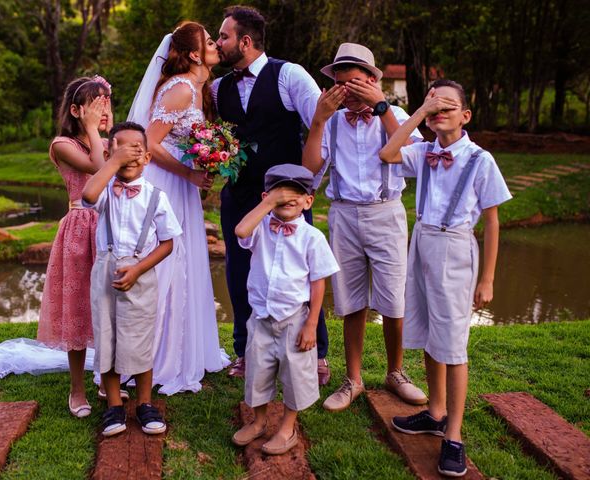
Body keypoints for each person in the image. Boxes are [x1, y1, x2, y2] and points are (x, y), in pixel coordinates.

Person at [379, 79, 511, 476]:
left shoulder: (479, 160)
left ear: (465, 115)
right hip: (421, 241)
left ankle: (453, 435)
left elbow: (492, 220)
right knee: (427, 329)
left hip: (455, 248)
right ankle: (435, 412)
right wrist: (419, 113)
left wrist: (486, 279)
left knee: (453, 344)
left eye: (447, 106)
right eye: (433, 105)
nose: (439, 111)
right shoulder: (423, 151)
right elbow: (387, 152)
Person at [302, 43, 427, 410]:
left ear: (373, 81)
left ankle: (396, 373)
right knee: (350, 300)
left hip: (385, 213)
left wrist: (383, 107)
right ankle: (352, 379)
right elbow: (309, 169)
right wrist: (319, 119)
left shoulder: (398, 114)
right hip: (344, 215)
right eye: (340, 85)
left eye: (355, 84)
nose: (348, 93)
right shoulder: (334, 121)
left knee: (393, 299)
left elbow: (412, 159)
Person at [212, 5, 331, 383]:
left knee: (301, 269)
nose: (218, 43)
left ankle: (318, 351)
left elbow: (320, 126)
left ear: (245, 42)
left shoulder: (290, 75)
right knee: (238, 271)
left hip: (288, 200)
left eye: (224, 36)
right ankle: (247, 351)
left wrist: (304, 187)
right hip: (239, 196)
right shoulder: (217, 89)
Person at [127, 22, 229, 395]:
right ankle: (152, 358)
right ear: (194, 54)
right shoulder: (181, 89)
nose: (216, 44)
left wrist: (208, 162)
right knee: (168, 267)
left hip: (182, 187)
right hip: (167, 185)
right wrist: (188, 173)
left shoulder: (201, 90)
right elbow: (147, 144)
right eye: (209, 40)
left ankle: (186, 349)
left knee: (186, 263)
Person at [82, 121, 182, 437]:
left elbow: (168, 242)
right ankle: (113, 406)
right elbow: (87, 195)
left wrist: (138, 269)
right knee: (107, 338)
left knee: (140, 339)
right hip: (105, 273)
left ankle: (144, 403)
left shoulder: (156, 196)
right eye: (120, 149)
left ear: (148, 159)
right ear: (111, 153)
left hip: (142, 273)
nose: (128, 157)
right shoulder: (104, 192)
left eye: (135, 151)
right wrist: (114, 160)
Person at [231, 164, 339, 455]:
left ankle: (288, 428)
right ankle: (259, 421)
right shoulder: (259, 229)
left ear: (308, 200)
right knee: (257, 371)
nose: (288, 199)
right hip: (261, 317)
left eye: (296, 194)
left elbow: (318, 284)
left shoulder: (312, 238)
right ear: (267, 196)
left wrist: (311, 325)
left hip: (294, 318)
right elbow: (240, 229)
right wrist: (269, 203)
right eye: (281, 193)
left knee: (295, 375)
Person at [37, 75, 112, 418]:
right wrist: (95, 131)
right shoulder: (62, 145)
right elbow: (97, 169)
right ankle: (77, 389)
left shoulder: (111, 141)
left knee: (110, 308)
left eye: (107, 103)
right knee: (79, 308)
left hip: (109, 229)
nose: (104, 110)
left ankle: (107, 379)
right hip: (80, 229)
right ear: (77, 110)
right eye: (97, 104)